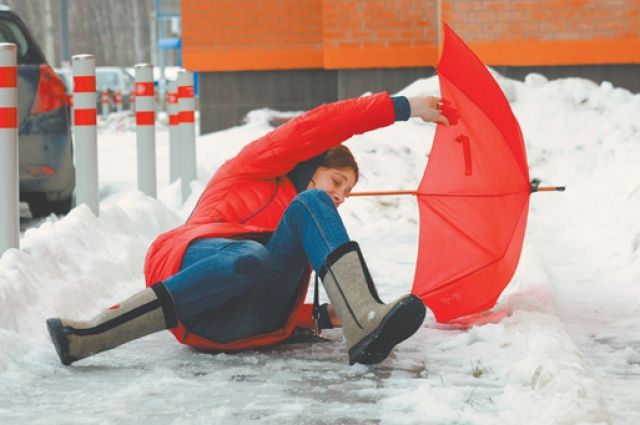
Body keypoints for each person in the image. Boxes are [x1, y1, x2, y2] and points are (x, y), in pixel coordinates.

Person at [46, 92, 449, 366]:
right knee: (247, 256)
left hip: (248, 325)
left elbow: (276, 292)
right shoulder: (251, 169)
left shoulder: (303, 219)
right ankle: (93, 334)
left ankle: (363, 323)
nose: (341, 196)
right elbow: (318, 125)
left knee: (275, 239)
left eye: (347, 190)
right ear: (311, 165)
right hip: (197, 294)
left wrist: (324, 316)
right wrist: (402, 107)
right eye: (337, 181)